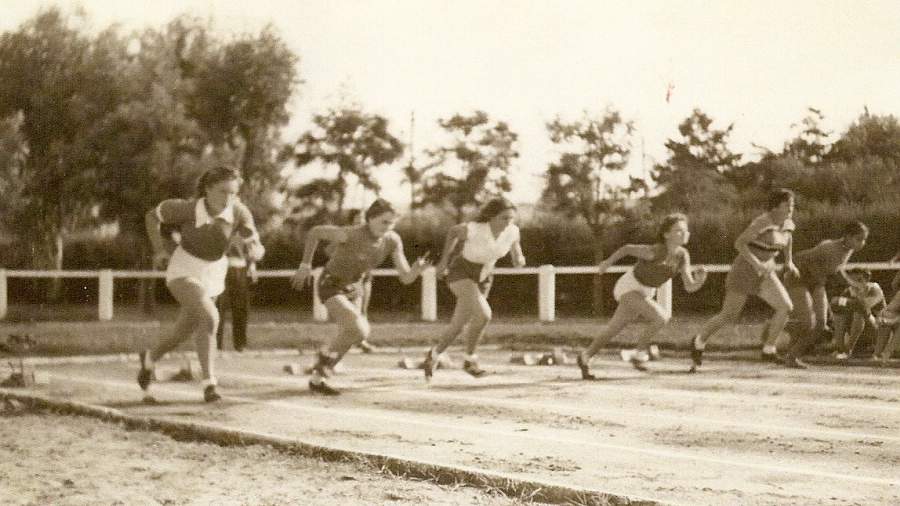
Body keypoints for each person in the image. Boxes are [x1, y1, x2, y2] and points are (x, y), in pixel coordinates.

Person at [139, 166, 265, 402]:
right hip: (184, 268)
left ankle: (149, 359)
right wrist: (159, 250)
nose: (227, 199)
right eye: (222, 192)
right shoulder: (187, 208)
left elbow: (256, 245)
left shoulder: (239, 212)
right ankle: (210, 384)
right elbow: (151, 216)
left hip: (214, 271)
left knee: (183, 331)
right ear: (207, 190)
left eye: (233, 193)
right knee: (211, 317)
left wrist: (255, 252)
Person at [290, 199, 430, 395]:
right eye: (384, 222)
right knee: (358, 328)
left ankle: (318, 377)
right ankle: (323, 359)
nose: (388, 227)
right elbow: (315, 233)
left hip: (353, 287)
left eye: (392, 223)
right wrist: (305, 265)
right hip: (330, 284)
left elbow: (406, 278)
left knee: (356, 333)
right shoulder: (351, 233)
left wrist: (417, 269)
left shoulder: (392, 240)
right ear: (370, 219)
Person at [576, 213, 707, 379]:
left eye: (685, 230)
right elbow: (627, 249)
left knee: (613, 329)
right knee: (661, 317)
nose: (684, 234)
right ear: (666, 234)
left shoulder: (683, 255)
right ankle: (638, 355)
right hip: (629, 286)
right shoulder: (656, 251)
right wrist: (606, 263)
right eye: (679, 231)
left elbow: (689, 286)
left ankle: (585, 357)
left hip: (645, 291)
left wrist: (700, 281)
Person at [690, 189, 799, 371]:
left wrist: (789, 261)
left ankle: (768, 349)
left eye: (792, 205)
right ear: (775, 207)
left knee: (785, 307)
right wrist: (756, 263)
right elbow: (739, 243)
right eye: (787, 204)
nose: (791, 208)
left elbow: (788, 239)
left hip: (766, 271)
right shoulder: (763, 222)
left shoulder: (787, 224)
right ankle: (698, 341)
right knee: (728, 315)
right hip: (744, 270)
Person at [422, 197, 526, 381]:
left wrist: (518, 258)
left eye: (511, 218)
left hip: (484, 276)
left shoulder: (512, 231)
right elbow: (453, 232)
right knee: (484, 315)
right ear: (491, 217)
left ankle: (433, 355)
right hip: (461, 272)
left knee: (458, 324)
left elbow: (516, 250)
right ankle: (470, 360)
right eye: (504, 218)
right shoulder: (475, 229)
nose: (508, 222)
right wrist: (443, 261)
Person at [780, 221, 869, 368]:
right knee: (809, 322)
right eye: (859, 239)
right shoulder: (829, 247)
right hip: (798, 278)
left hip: (816, 281)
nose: (862, 243)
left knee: (820, 325)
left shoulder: (848, 250)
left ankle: (792, 356)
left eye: (864, 239)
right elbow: (801, 259)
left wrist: (853, 284)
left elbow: (836, 269)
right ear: (847, 237)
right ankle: (783, 326)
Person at [215, 234, 257, 352]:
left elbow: (252, 244)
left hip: (239, 266)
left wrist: (252, 265)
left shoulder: (243, 223)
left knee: (240, 307)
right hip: (219, 266)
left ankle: (240, 344)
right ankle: (215, 345)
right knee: (218, 308)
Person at [830, 268, 884, 359]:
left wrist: (858, 294)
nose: (854, 283)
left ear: (867, 280)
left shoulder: (875, 288)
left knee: (859, 310)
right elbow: (834, 302)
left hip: (878, 330)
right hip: (855, 331)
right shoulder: (848, 291)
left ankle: (848, 349)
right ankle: (840, 348)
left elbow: (864, 305)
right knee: (839, 311)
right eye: (852, 280)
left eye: (859, 280)